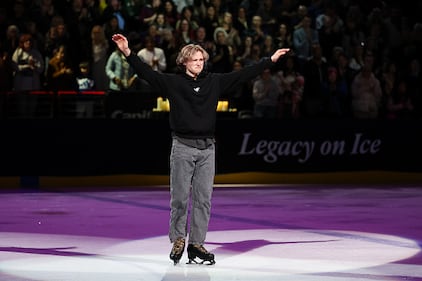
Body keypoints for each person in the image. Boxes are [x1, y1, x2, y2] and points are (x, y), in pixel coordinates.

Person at [111, 33, 290, 265]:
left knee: (203, 199)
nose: (198, 63)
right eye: (194, 59)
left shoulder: (213, 81)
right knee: (180, 199)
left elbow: (243, 74)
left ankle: (196, 244)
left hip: (207, 149)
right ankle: (178, 239)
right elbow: (147, 73)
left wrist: (270, 60)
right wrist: (127, 52)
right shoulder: (173, 83)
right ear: (184, 61)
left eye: (201, 59)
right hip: (182, 147)